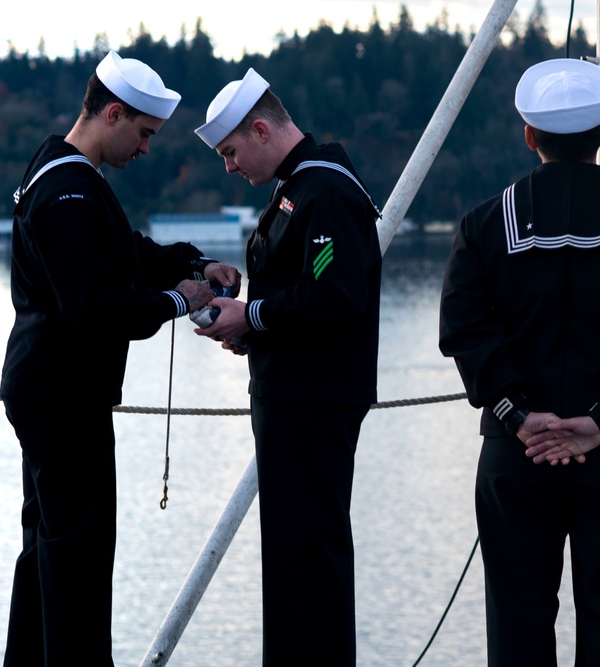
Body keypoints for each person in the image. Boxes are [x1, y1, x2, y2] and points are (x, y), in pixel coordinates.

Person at [439, 58, 600, 666]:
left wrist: (518, 414)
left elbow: (464, 333)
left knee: (518, 626)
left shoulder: (481, 227)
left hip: (514, 452)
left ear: (530, 136)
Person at [0, 50, 241, 666]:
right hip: (62, 396)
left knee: (48, 550)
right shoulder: (68, 191)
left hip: (49, 390)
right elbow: (94, 304)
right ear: (113, 114)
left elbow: (119, 250)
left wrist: (190, 262)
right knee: (78, 554)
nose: (146, 148)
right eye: (144, 133)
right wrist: (176, 300)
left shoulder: (64, 174)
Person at [193, 69, 382, 666]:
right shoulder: (300, 188)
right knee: (293, 562)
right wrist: (251, 329)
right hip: (296, 400)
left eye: (229, 151)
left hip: (312, 408)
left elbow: (335, 296)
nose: (227, 166)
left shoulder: (323, 192)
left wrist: (254, 316)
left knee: (309, 565)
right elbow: (304, 302)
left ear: (260, 128)